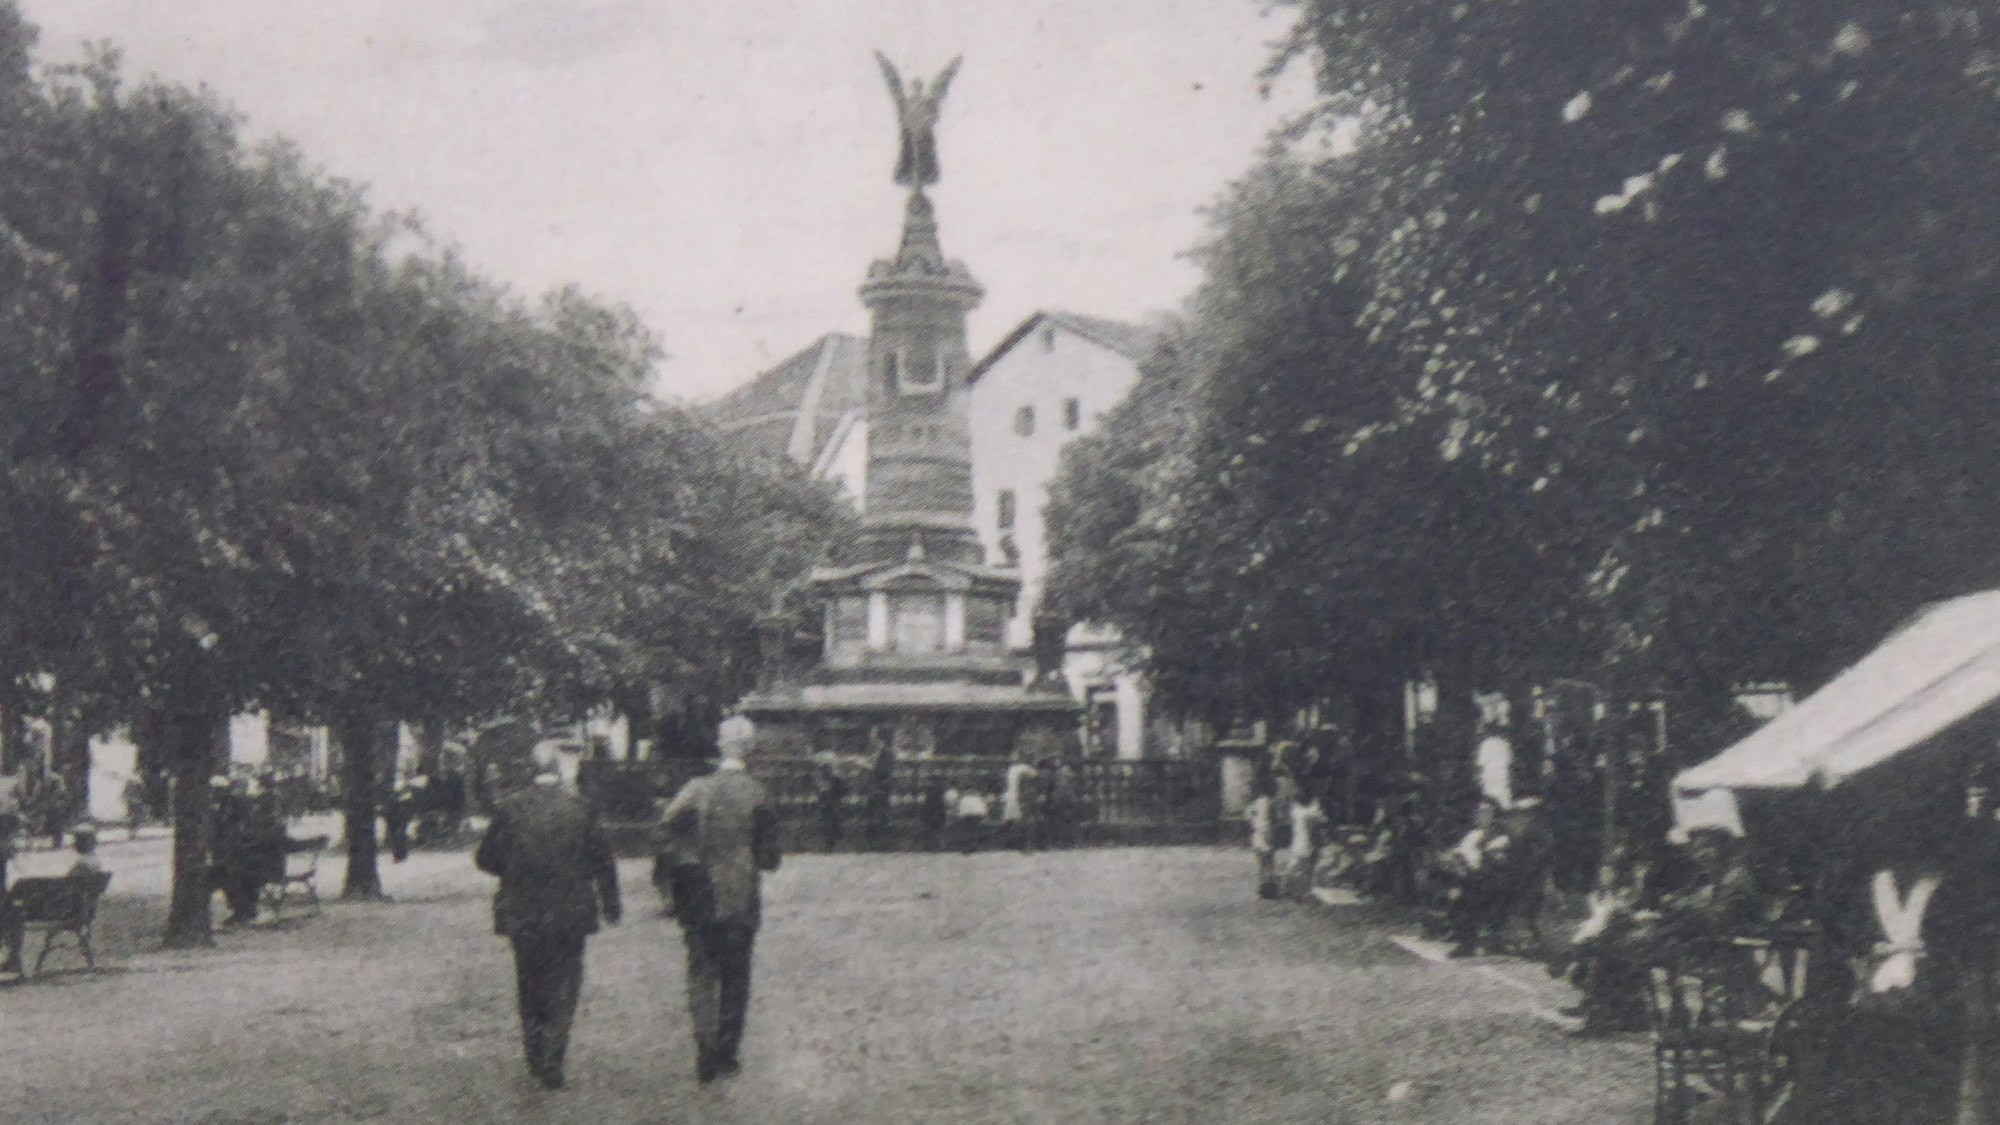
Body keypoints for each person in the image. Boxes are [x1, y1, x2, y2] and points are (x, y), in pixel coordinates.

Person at [475, 760, 621, 1091]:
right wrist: (611, 904)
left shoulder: (510, 808)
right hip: (570, 910)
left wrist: (513, 871)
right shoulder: (581, 809)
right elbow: (602, 860)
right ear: (561, 772)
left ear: (533, 771)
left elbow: (485, 858)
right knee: (565, 982)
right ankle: (554, 1054)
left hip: (523, 910)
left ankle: (535, 1051)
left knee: (529, 980)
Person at [656, 733, 780, 1084]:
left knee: (700, 971)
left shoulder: (695, 789)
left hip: (698, 895)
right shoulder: (758, 793)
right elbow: (770, 859)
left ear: (719, 747)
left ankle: (704, 1046)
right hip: (739, 898)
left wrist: (687, 863)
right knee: (736, 975)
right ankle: (727, 1051)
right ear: (750, 751)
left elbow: (665, 829)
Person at [2, 825, 102, 977]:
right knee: (12, 912)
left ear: (76, 844)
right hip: (77, 912)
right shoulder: (95, 865)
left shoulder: (80, 866)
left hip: (58, 913)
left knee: (11, 914)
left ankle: (14, 958)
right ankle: (13, 959)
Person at [1445, 798, 1513, 957]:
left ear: (1494, 815)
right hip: (1472, 880)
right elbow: (1459, 855)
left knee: (1470, 895)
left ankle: (1486, 940)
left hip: (1493, 882)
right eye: (1479, 812)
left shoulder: (1501, 836)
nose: (1480, 815)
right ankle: (1466, 941)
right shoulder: (1472, 835)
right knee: (1458, 894)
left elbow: (1496, 859)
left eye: (1485, 812)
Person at [1002, 755, 1039, 852]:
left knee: (1016, 822)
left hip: (1011, 798)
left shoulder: (1011, 770)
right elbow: (1035, 774)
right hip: (1021, 797)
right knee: (1026, 821)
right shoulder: (1023, 768)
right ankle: (1026, 844)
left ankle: (1019, 845)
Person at [814, 763, 847, 850]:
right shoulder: (821, 781)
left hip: (834, 805)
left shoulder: (836, 780)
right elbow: (821, 794)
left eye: (826, 770)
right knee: (828, 822)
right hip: (826, 806)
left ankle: (836, 840)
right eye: (823, 771)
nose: (824, 773)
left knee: (833, 821)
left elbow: (841, 792)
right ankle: (831, 841)